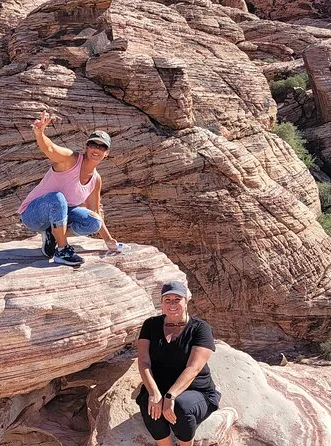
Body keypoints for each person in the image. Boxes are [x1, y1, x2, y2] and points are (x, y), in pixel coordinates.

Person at [17, 111, 118, 266]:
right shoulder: (71, 160)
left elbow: (95, 211)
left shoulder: (96, 179)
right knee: (58, 199)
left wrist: (109, 240)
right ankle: (62, 250)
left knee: (94, 222)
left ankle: (53, 234)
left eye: (102, 146)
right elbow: (50, 149)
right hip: (34, 215)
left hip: (59, 216)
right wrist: (39, 133)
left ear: (107, 153)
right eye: (93, 144)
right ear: (87, 147)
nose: (97, 149)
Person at [136, 281, 221, 446]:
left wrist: (170, 395)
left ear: (186, 301)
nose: (172, 304)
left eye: (177, 299)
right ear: (161, 303)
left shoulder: (200, 328)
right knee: (150, 408)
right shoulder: (150, 325)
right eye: (167, 300)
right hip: (160, 387)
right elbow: (144, 361)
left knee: (181, 407)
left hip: (195, 390)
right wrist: (154, 393)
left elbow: (194, 367)